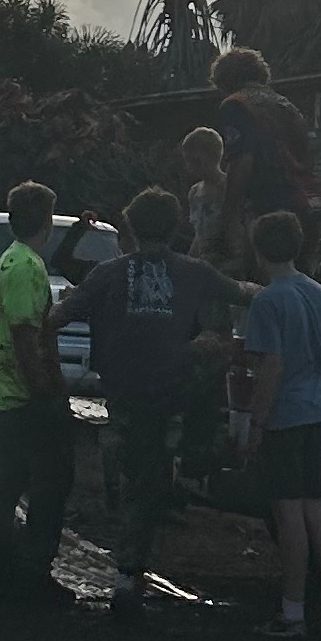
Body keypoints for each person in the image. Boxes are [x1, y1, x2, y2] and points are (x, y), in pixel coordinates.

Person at [75, 187, 241, 613]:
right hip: (173, 392)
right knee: (152, 478)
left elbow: (60, 314)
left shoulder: (107, 274)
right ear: (176, 225)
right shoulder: (196, 271)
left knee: (140, 476)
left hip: (125, 392)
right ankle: (132, 567)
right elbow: (243, 292)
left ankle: (129, 568)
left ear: (130, 224)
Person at [237, 209, 321, 640]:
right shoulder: (316, 291)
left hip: (285, 414)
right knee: (313, 507)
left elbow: (272, 366)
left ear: (258, 250)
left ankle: (293, 611)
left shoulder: (268, 301)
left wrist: (257, 424)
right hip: (317, 409)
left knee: (287, 514)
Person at [0, 177, 76, 605]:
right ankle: (28, 572)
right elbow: (24, 334)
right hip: (23, 395)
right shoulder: (26, 267)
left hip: (9, 391)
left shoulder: (14, 261)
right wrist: (43, 389)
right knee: (49, 483)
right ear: (46, 221)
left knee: (12, 480)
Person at [209, 49, 319, 264]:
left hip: (266, 209)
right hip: (303, 204)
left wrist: (229, 214)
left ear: (223, 80)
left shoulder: (237, 104)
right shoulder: (285, 104)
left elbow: (242, 161)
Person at [179, 126, 228, 259]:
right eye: (187, 160)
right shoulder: (194, 192)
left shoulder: (228, 186)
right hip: (204, 259)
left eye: (194, 160)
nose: (190, 166)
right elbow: (199, 234)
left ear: (212, 156)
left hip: (226, 256)